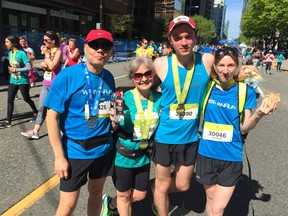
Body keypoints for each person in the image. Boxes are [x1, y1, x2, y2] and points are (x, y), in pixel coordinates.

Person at [150, 15, 254, 216]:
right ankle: (159, 201)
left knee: (182, 185)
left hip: (190, 138)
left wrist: (240, 73)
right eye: (178, 37)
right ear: (170, 39)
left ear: (195, 38)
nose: (183, 42)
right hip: (164, 136)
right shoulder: (160, 64)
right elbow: (144, 85)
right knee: (162, 185)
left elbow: (225, 72)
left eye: (188, 36)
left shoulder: (206, 61)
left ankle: (157, 192)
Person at [195, 46, 277, 216]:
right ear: (215, 66)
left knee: (218, 209)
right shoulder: (206, 86)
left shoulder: (244, 91)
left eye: (231, 65)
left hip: (230, 156)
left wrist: (259, 114)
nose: (225, 70)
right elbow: (204, 59)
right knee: (210, 202)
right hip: (206, 154)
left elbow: (244, 127)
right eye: (221, 65)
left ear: (238, 66)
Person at [44, 29, 115, 216]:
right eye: (95, 45)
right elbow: (51, 117)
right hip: (75, 151)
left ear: (111, 51)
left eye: (105, 46)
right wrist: (59, 157)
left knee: (96, 192)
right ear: (85, 48)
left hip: (103, 148)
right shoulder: (68, 76)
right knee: (67, 205)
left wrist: (114, 120)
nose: (100, 50)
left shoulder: (108, 77)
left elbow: (106, 109)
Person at [102, 56, 162, 216]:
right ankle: (117, 204)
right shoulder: (122, 98)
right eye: (138, 75)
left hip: (144, 155)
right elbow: (113, 128)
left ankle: (110, 204)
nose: (143, 79)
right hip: (123, 154)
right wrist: (113, 122)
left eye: (148, 74)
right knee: (124, 195)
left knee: (139, 195)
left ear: (153, 75)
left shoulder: (159, 99)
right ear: (132, 78)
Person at [21, 30, 62, 140]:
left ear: (53, 41)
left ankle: (62, 130)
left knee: (57, 109)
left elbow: (52, 66)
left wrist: (47, 56)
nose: (44, 43)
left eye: (46, 40)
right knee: (41, 107)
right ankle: (35, 131)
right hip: (46, 83)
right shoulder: (48, 51)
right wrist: (45, 63)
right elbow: (46, 66)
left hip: (55, 84)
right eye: (43, 40)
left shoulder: (58, 52)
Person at [0, 35, 38, 129]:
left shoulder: (21, 53)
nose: (6, 44)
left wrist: (16, 70)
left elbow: (29, 67)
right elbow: (13, 65)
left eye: (7, 42)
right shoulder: (10, 53)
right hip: (13, 79)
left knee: (26, 98)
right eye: (5, 42)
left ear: (13, 43)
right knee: (10, 99)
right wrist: (10, 69)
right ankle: (8, 121)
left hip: (23, 80)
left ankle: (36, 112)